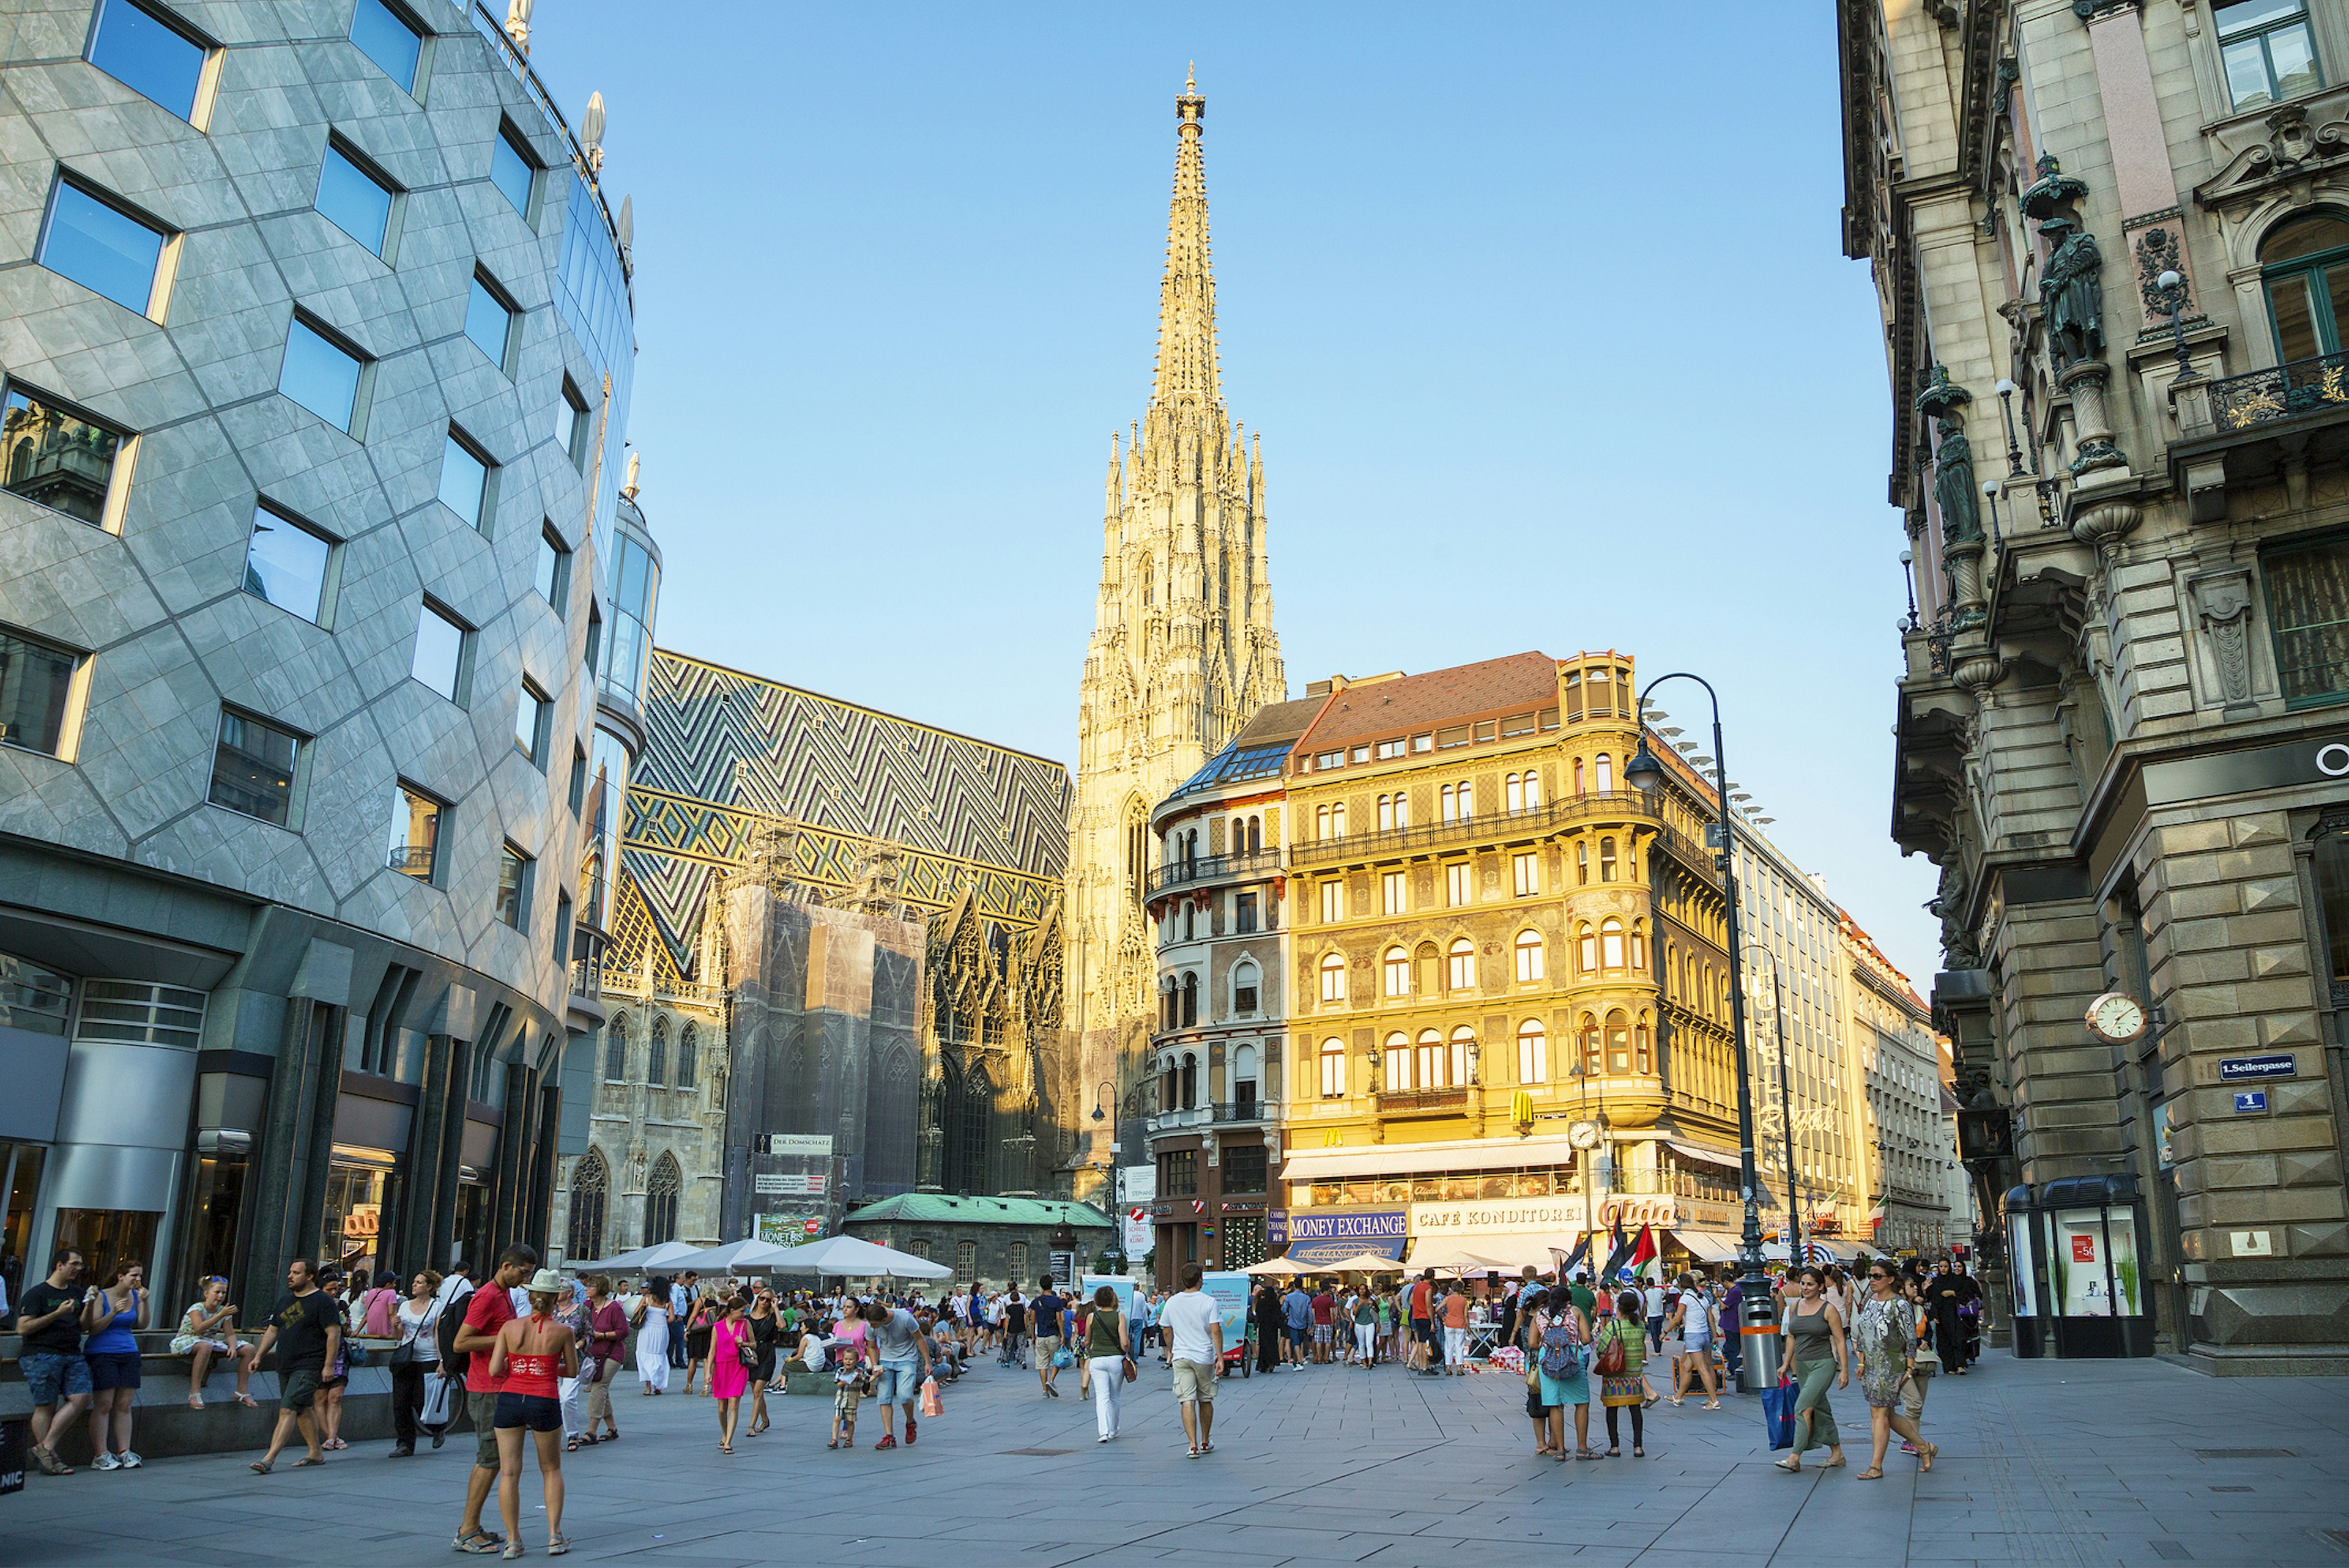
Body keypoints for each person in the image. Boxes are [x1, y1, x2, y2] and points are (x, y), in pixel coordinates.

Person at [450, 1244, 538, 1556]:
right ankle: (467, 1530)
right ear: (506, 1266)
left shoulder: (502, 1295)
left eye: (530, 1274)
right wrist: (507, 1338)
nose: (526, 1279)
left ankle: (472, 1526)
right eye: (523, 1272)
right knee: (488, 1459)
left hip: (498, 1386)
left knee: (496, 1459)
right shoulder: (487, 1295)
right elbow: (461, 1342)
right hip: (485, 1389)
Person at [488, 1268, 577, 1558]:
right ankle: (554, 1535)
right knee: (551, 1469)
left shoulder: (510, 1328)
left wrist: (521, 1367)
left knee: (509, 1472)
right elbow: (572, 1371)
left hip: (511, 1397)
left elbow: (494, 1369)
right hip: (544, 1398)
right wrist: (546, 1368)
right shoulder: (563, 1331)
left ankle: (513, 1541)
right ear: (554, 1300)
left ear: (530, 1295)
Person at [248, 1257, 341, 1474]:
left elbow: (333, 1333)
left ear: (310, 1277)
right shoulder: (285, 1300)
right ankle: (315, 1453)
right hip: (286, 1363)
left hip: (309, 1365)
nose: (290, 1276)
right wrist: (259, 1356)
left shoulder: (322, 1301)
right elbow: (273, 1330)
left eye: (296, 1273)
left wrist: (329, 1365)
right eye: (290, 1272)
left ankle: (269, 1459)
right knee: (302, 1408)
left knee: (288, 1408)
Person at [1852, 1260, 1937, 1478]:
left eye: (1877, 1276)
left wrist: (1909, 1369)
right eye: (1871, 1276)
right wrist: (1861, 1362)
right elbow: (1863, 1333)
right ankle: (1924, 1447)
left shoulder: (1899, 1305)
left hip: (1892, 1364)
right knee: (1886, 1413)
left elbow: (1910, 1338)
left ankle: (1876, 1466)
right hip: (1872, 1364)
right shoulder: (1871, 1301)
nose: (1872, 1280)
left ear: (1890, 1279)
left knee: (1878, 1413)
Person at [1774, 1265, 1849, 1474]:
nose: (1805, 1288)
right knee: (1821, 1410)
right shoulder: (1794, 1307)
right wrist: (1786, 1363)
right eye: (1803, 1284)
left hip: (1823, 1364)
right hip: (1803, 1366)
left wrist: (1844, 1370)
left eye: (1810, 1285)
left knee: (1803, 1408)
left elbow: (1840, 1340)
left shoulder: (1828, 1310)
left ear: (1820, 1287)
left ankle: (1794, 1457)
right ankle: (1837, 1454)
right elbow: (1791, 1336)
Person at [76, 1259, 147, 1470]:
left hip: (129, 1351)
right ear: (121, 1276)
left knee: (125, 1404)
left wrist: (145, 1302)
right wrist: (114, 1312)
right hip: (102, 1352)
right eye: (134, 1275)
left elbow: (143, 1324)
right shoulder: (102, 1296)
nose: (138, 1280)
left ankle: (125, 1450)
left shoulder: (135, 1295)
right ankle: (101, 1453)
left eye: (140, 1276)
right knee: (104, 1403)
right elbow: (93, 1328)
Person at [1161, 1262, 1223, 1458]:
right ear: (1199, 1280)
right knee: (1205, 1399)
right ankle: (1205, 1441)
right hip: (1203, 1355)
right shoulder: (1209, 1302)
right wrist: (1220, 1356)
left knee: (1186, 1400)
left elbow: (1166, 1330)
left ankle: (1192, 1445)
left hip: (1181, 1355)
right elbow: (1216, 1331)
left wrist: (1170, 1350)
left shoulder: (1172, 1302)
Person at [174, 1276, 261, 1410]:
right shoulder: (197, 1308)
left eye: (223, 1293)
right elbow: (198, 1328)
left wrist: (232, 1346)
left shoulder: (223, 1311)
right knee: (205, 1347)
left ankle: (241, 1391)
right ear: (207, 1293)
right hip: (188, 1340)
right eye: (217, 1292)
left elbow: (230, 1333)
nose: (220, 1296)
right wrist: (219, 1316)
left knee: (249, 1348)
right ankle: (194, 1392)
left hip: (209, 1341)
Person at [388, 1268, 443, 1456]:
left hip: (428, 1358)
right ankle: (405, 1443)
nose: (414, 1285)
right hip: (406, 1359)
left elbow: (438, 1334)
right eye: (414, 1282)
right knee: (400, 1402)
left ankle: (437, 1429)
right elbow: (399, 1336)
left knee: (422, 1402)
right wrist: (395, 1326)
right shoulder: (404, 1306)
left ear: (429, 1287)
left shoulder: (437, 1306)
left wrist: (441, 1360)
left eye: (419, 1283)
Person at [866, 1295, 932, 1450]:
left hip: (907, 1359)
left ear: (884, 1319)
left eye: (875, 1324)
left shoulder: (905, 1319)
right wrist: (875, 1366)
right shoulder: (870, 1326)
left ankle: (910, 1422)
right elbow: (871, 1346)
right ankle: (889, 1436)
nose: (872, 1327)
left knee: (905, 1396)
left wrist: (927, 1362)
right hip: (886, 1360)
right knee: (883, 1398)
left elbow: (920, 1339)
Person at [576, 1276, 626, 1444]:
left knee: (599, 1387)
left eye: (590, 1286)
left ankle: (591, 1431)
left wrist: (602, 1335)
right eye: (586, 1286)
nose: (586, 1289)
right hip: (594, 1354)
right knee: (603, 1390)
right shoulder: (586, 1307)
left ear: (600, 1288)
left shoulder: (613, 1307)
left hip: (612, 1353)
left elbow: (623, 1332)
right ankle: (612, 1428)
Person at [1082, 1284, 1132, 1442]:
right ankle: (1113, 1429)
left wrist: (1091, 1352)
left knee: (1101, 1396)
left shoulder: (1092, 1317)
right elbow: (1124, 1343)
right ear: (1113, 1299)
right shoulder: (1119, 1317)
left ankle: (1103, 1432)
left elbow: (1087, 1341)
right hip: (1115, 1359)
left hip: (1097, 1359)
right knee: (1115, 1396)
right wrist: (1127, 1350)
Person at [1669, 1274, 1721, 1410]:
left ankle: (1714, 1401)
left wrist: (1664, 1333)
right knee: (1687, 1367)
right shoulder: (1702, 1297)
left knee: (1702, 1369)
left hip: (1693, 1336)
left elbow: (1677, 1319)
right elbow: (1710, 1318)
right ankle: (1679, 1397)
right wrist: (1714, 1335)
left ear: (1681, 1285)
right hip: (1705, 1335)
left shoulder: (1685, 1298)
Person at [709, 1294, 753, 1454]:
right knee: (722, 1408)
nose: (744, 1314)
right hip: (721, 1367)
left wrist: (745, 1343)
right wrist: (708, 1372)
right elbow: (712, 1350)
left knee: (734, 1404)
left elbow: (754, 1344)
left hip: (738, 1366)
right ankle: (724, 1432)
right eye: (741, 1311)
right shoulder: (717, 1326)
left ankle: (728, 1442)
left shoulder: (745, 1324)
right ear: (732, 1311)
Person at [827, 1315, 873, 1450]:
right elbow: (837, 1384)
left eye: (851, 1359)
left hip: (852, 1400)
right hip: (840, 1400)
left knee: (850, 1421)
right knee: (837, 1418)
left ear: (856, 1360)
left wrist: (876, 1375)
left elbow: (867, 1379)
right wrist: (843, 1382)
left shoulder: (859, 1371)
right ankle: (834, 1439)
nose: (848, 1362)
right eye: (846, 1359)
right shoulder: (840, 1371)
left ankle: (849, 1439)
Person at [1929, 1259, 1981, 1374]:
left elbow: (1966, 1295)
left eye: (1946, 1267)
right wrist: (1935, 1315)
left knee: (1958, 1339)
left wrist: (1953, 1293)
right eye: (1941, 1267)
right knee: (1944, 1342)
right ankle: (1949, 1366)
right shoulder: (1936, 1282)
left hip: (1956, 1313)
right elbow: (1934, 1300)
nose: (1943, 1269)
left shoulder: (1955, 1280)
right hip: (1942, 1315)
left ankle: (1960, 1365)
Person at [744, 1288, 779, 1434]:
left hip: (767, 1354)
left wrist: (776, 1308)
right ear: (757, 1299)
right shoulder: (748, 1318)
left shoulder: (771, 1317)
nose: (764, 1302)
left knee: (758, 1391)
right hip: (752, 1354)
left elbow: (783, 1326)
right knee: (756, 1392)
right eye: (762, 1298)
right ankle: (765, 1419)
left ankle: (751, 1426)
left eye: (768, 1300)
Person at [632, 1279, 671, 1394]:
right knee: (659, 1355)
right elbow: (672, 1318)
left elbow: (636, 1312)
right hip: (662, 1329)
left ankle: (648, 1387)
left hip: (647, 1329)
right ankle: (658, 1385)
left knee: (644, 1354)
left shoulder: (648, 1298)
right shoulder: (668, 1301)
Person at [1032, 1276, 1068, 1398]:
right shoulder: (1057, 1301)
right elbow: (1060, 1319)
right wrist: (1063, 1334)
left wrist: (1033, 1336)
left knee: (1042, 1364)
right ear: (1051, 1285)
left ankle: (1044, 1390)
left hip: (1041, 1335)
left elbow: (1032, 1321)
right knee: (1057, 1361)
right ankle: (1051, 1380)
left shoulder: (1036, 1301)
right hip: (1053, 1335)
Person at [681, 1288, 717, 1396]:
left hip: (697, 1332)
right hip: (709, 1332)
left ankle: (689, 1385)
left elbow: (693, 1315)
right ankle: (706, 1386)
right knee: (707, 1359)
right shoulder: (715, 1303)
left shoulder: (700, 1301)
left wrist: (687, 1329)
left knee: (693, 1359)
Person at [1441, 1279, 1472, 1375]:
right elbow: (1466, 1315)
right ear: (1462, 1289)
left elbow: (1438, 1308)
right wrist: (1469, 1327)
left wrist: (1443, 1317)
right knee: (1460, 1346)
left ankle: (1448, 1367)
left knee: (1449, 1346)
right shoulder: (1463, 1300)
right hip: (1460, 1325)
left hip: (1449, 1324)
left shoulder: (1448, 1299)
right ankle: (1459, 1367)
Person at [1251, 1281, 1281, 1374]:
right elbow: (1278, 1315)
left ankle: (1264, 1364)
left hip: (1264, 1327)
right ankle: (1273, 1361)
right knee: (1273, 1344)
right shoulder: (1276, 1303)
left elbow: (1258, 1315)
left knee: (1264, 1346)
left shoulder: (1261, 1303)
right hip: (1273, 1328)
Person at [668, 1273, 695, 1369]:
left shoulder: (680, 1289)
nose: (684, 1280)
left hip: (679, 1317)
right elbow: (673, 1303)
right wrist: (676, 1314)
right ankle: (679, 1360)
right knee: (680, 1340)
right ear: (677, 1279)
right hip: (677, 1318)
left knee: (673, 1340)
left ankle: (671, 1360)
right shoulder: (675, 1289)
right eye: (682, 1278)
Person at [1281, 1281, 1311, 1367]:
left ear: (1294, 1286)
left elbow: (1284, 1310)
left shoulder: (1289, 1297)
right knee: (1299, 1341)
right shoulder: (1307, 1298)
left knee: (1295, 1342)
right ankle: (1298, 1359)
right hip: (1303, 1323)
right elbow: (1310, 1313)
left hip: (1292, 1323)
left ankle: (1299, 1361)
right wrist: (1310, 1325)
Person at [1349, 1285, 1378, 1369]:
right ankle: (1364, 1362)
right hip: (1359, 1324)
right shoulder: (1355, 1301)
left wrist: (1372, 1304)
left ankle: (1370, 1361)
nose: (1362, 1291)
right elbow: (1354, 1313)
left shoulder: (1371, 1300)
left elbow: (1377, 1311)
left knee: (1370, 1343)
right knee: (1361, 1344)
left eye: (1364, 1289)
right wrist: (1359, 1305)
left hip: (1370, 1323)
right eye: (1360, 1290)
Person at [1310, 1281, 1336, 1364]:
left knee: (1318, 1341)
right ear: (1325, 1291)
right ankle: (1326, 1357)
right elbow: (1331, 1312)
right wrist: (1332, 1322)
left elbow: (1313, 1312)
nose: (1329, 1293)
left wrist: (1314, 1321)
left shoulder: (1315, 1300)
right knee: (1328, 1341)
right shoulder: (1329, 1300)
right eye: (1329, 1291)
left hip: (1318, 1322)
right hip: (1327, 1321)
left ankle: (1319, 1357)